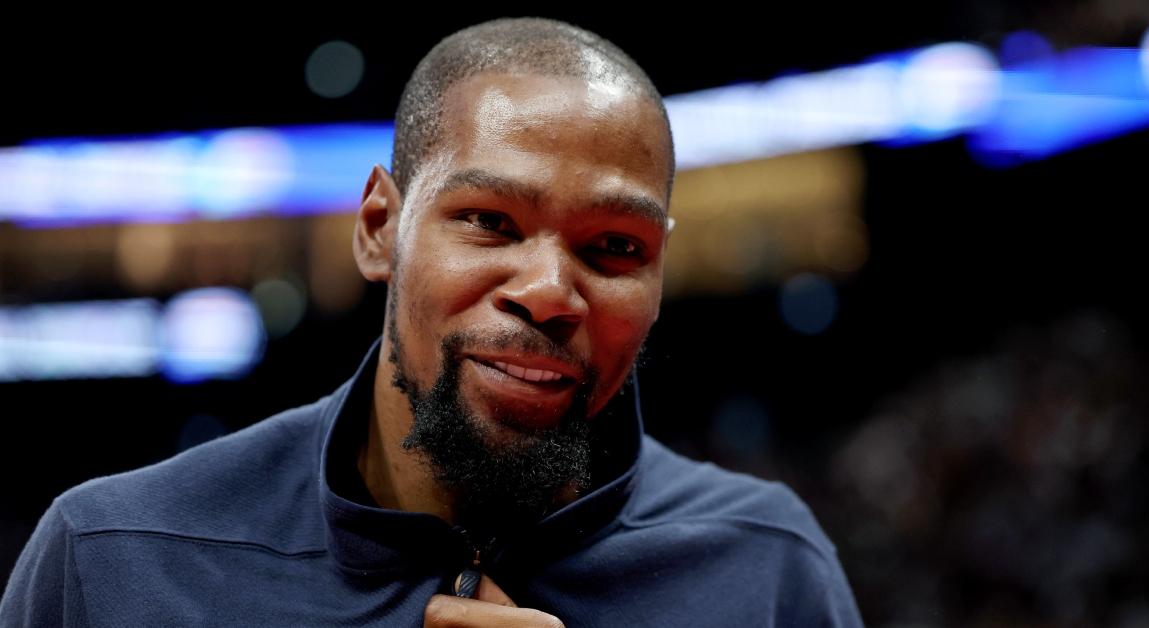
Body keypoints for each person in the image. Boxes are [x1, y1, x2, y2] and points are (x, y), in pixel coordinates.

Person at [1, 17, 862, 627]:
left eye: (614, 246)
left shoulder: (769, 568)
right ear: (381, 228)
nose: (551, 291)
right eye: (490, 221)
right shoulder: (113, 559)